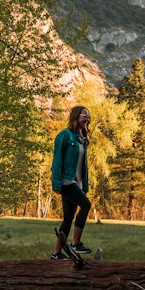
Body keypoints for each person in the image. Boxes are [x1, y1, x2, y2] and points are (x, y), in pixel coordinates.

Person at [50, 104, 92, 258]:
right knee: (86, 205)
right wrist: (56, 182)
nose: (87, 118)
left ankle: (56, 253)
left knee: (68, 219)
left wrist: (84, 185)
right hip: (67, 181)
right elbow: (57, 159)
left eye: (88, 116)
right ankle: (75, 244)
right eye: (84, 115)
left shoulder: (82, 139)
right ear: (76, 117)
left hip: (77, 183)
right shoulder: (65, 135)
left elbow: (83, 165)